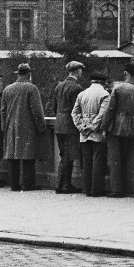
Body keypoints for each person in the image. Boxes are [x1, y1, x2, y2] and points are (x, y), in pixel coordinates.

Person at [1, 63, 46, 191]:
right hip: (27, 127)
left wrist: (4, 127)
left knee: (12, 156)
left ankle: (14, 185)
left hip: (11, 127)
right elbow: (36, 110)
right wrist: (41, 127)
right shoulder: (31, 88)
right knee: (28, 156)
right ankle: (28, 184)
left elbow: (3, 110)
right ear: (29, 74)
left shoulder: (7, 89)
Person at [103, 63, 134, 198]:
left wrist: (104, 127)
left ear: (126, 74)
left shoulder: (118, 88)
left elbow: (110, 109)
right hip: (131, 127)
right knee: (125, 159)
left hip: (116, 127)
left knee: (115, 160)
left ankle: (116, 189)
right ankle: (125, 187)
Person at [72, 72, 110, 197]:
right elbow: (102, 114)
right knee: (98, 161)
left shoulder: (82, 94)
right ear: (103, 82)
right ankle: (96, 190)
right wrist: (93, 127)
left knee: (87, 161)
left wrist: (82, 127)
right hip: (97, 133)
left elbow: (75, 113)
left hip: (84, 134)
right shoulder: (104, 94)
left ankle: (87, 189)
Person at [52, 60, 84, 194]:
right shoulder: (76, 88)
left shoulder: (59, 86)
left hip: (59, 124)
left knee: (63, 154)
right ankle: (65, 185)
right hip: (70, 125)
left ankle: (60, 184)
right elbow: (76, 109)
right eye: (81, 70)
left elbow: (54, 107)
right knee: (68, 156)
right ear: (78, 71)